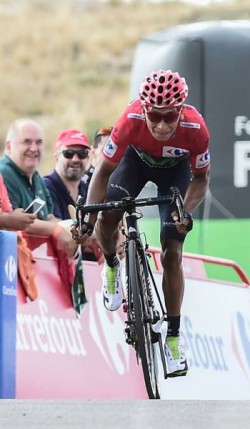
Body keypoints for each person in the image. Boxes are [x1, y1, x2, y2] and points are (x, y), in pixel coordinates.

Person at [73, 70, 210, 377]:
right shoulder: (130, 119)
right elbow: (102, 174)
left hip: (175, 174)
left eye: (169, 117)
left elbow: (201, 180)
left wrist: (184, 211)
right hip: (134, 163)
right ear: (144, 109)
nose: (161, 125)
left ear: (180, 110)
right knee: (108, 213)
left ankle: (173, 337)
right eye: (155, 117)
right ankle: (111, 265)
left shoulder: (196, 128)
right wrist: (91, 217)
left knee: (172, 250)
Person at [0, 118, 78, 256]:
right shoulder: (4, 173)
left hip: (32, 263)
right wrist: (57, 231)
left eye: (39, 142)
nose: (34, 148)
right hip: (10, 261)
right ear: (9, 146)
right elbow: (16, 222)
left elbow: (48, 217)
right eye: (27, 141)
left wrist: (73, 229)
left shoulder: (36, 176)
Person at [44, 129, 91, 220]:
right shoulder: (46, 188)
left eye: (82, 154)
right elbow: (55, 226)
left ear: (88, 158)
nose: (75, 159)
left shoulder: (88, 190)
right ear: (57, 156)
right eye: (69, 153)